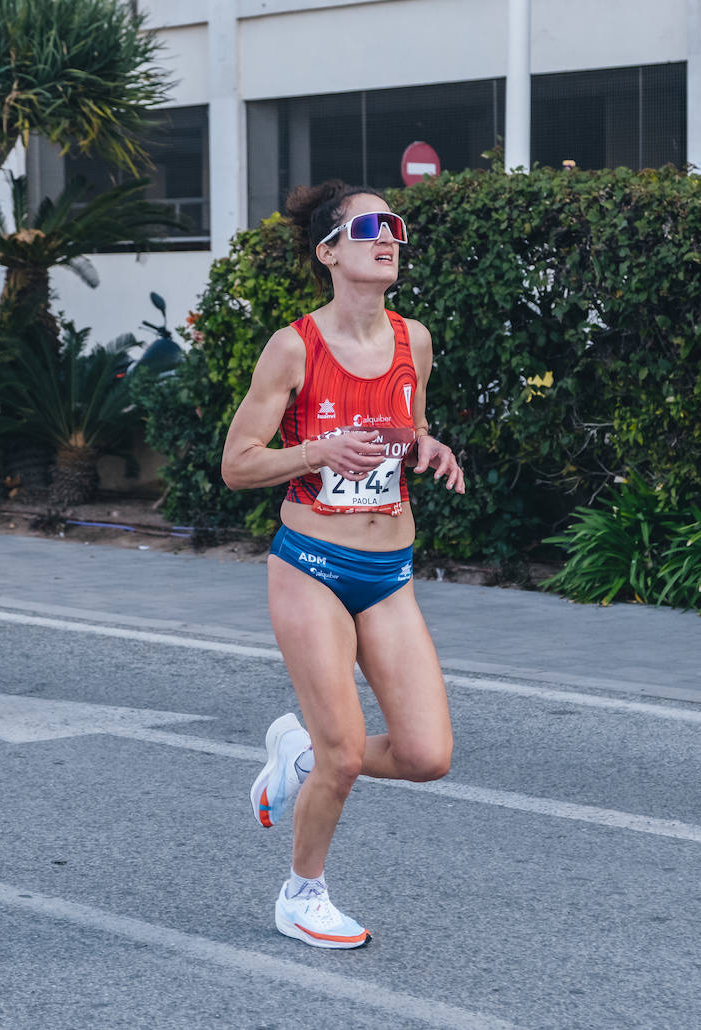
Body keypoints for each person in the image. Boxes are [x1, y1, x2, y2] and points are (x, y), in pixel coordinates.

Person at [221, 180, 465, 949]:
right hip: (312, 564)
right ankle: (302, 893)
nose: (388, 235)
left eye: (393, 224)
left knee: (427, 756)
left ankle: (296, 749)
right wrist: (318, 450)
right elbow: (237, 464)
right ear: (330, 251)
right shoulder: (295, 346)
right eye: (369, 226)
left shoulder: (413, 340)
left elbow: (408, 429)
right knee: (345, 756)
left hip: (389, 570)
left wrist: (426, 445)